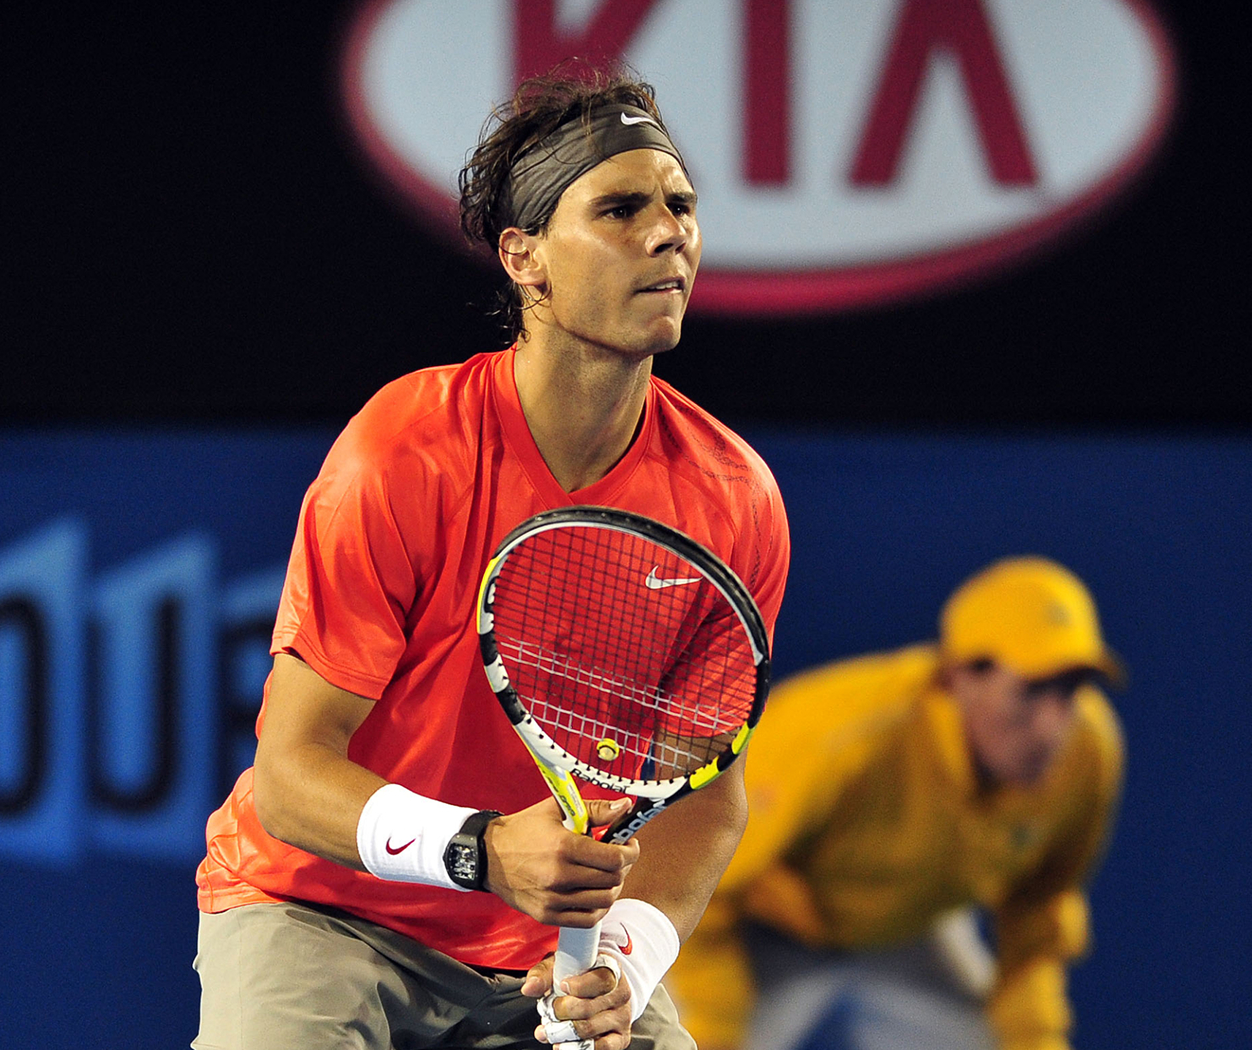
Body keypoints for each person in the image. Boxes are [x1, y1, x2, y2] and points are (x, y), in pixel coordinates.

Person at [192, 68, 790, 1050]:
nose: (668, 233)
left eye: (681, 205)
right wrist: (479, 852)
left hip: (544, 944)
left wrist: (628, 957)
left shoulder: (733, 502)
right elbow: (293, 776)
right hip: (321, 909)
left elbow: (707, 788)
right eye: (620, 208)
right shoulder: (402, 453)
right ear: (526, 259)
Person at [667, 557, 1124, 1050]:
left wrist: (1037, 1042)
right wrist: (713, 1033)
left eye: (1071, 689)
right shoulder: (842, 741)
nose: (1054, 726)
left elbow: (1039, 910)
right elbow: (699, 886)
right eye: (1032, 691)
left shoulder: (1088, 750)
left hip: (906, 931)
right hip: (758, 930)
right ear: (958, 677)